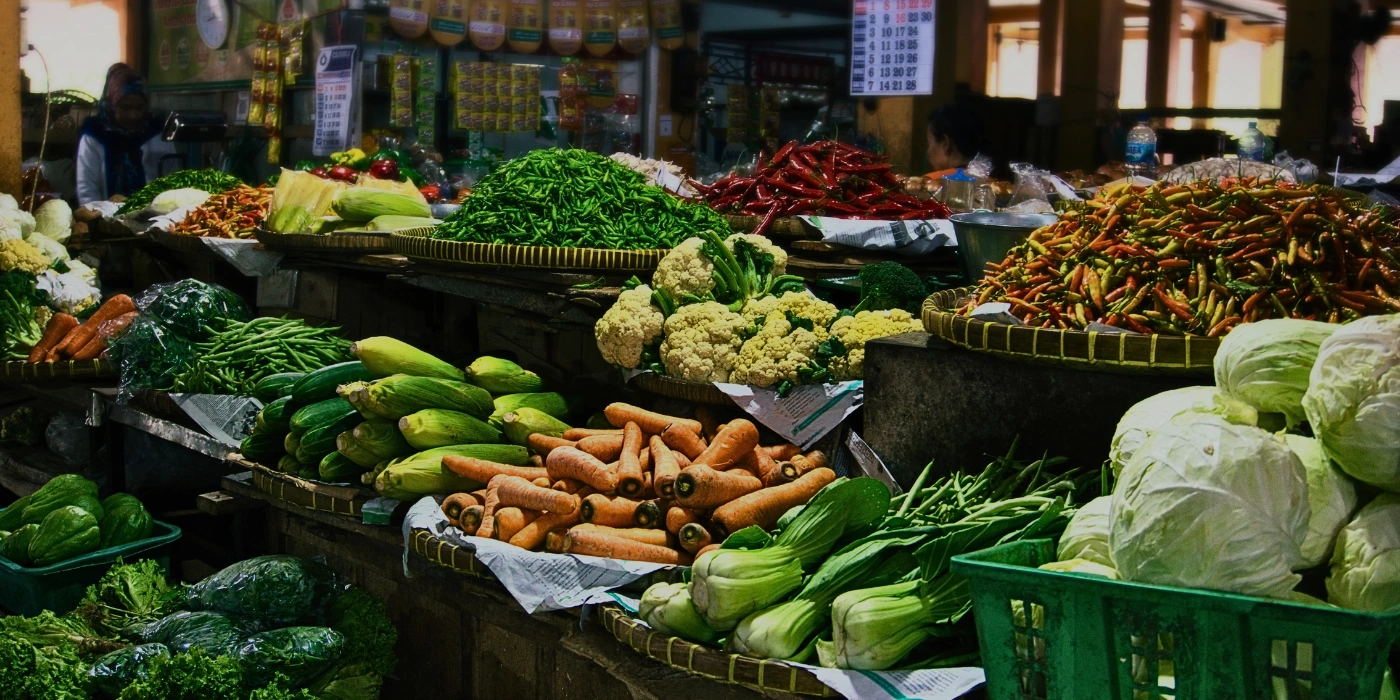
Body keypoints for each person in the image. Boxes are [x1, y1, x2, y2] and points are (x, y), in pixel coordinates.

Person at [76, 64, 175, 204]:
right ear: (111, 105)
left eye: (139, 108)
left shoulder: (157, 134)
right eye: (125, 108)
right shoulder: (95, 135)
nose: (133, 115)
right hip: (104, 220)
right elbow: (87, 190)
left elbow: (172, 182)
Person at [924, 103, 985, 176]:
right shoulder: (990, 184)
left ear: (945, 143)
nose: (928, 152)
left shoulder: (928, 183)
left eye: (929, 144)